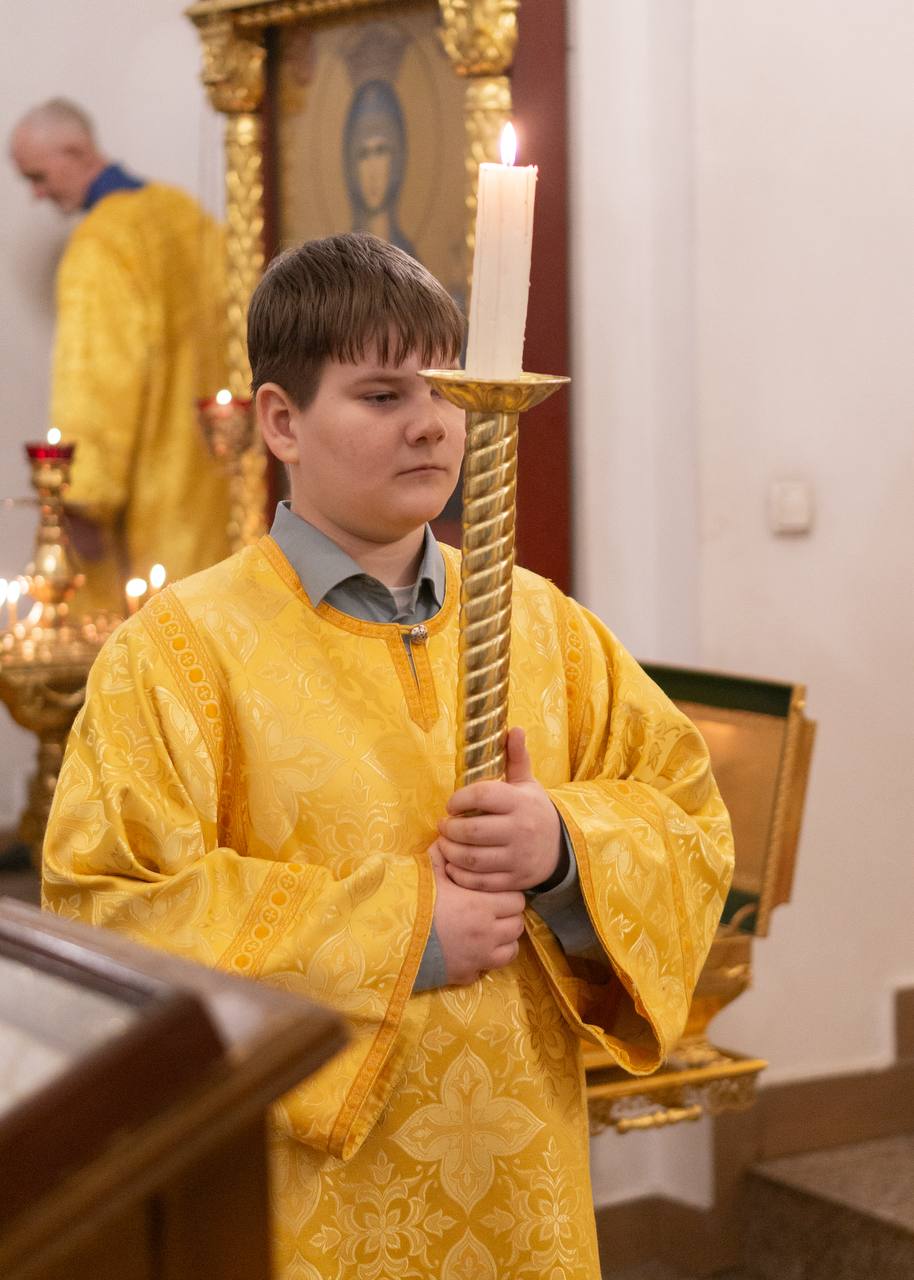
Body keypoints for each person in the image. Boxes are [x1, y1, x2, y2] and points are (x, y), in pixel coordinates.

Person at [43, 233, 734, 1279]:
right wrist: (405, 933)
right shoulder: (179, 654)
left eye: (446, 388)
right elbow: (107, 913)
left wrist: (561, 847)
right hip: (306, 1203)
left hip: (521, 1191)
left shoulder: (541, 625)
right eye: (380, 395)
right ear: (282, 421)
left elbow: (689, 820)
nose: (431, 423)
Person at [9, 98, 230, 614]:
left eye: (38, 177)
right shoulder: (185, 214)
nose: (38, 194)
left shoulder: (100, 244)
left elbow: (96, 383)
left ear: (75, 149)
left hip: (145, 514)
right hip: (219, 488)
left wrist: (80, 498)